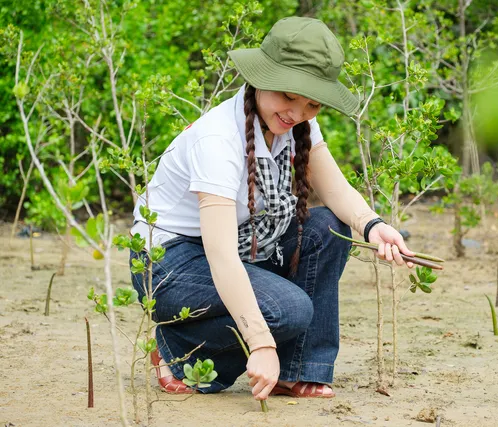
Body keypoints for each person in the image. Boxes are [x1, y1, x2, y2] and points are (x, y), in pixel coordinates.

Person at [130, 16, 415, 400]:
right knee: (287, 310)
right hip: (171, 262)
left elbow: (335, 189)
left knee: (328, 228)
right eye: (288, 95)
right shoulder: (217, 139)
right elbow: (220, 254)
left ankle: (296, 370)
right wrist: (261, 342)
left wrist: (373, 225)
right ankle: (176, 348)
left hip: (241, 244)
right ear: (261, 77)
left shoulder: (296, 126)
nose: (296, 112)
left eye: (311, 103)